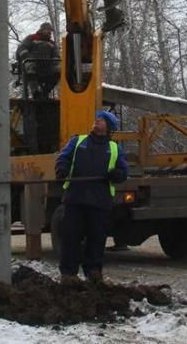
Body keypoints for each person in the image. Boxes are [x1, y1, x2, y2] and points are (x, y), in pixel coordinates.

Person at [54, 110, 129, 283]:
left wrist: (117, 174)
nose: (97, 121)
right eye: (97, 119)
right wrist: (62, 169)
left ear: (109, 127)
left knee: (96, 239)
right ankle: (68, 274)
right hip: (75, 198)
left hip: (99, 202)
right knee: (71, 237)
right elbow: (63, 158)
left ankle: (94, 272)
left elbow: (123, 171)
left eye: (102, 120)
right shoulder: (78, 141)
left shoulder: (115, 149)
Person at [15, 22, 61, 99]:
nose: (50, 32)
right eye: (48, 30)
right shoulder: (31, 38)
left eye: (50, 31)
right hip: (33, 63)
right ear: (42, 30)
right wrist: (28, 58)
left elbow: (56, 56)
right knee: (30, 66)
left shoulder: (52, 43)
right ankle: (35, 92)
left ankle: (46, 91)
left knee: (59, 70)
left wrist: (55, 62)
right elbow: (21, 48)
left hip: (47, 66)